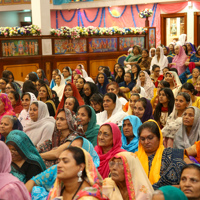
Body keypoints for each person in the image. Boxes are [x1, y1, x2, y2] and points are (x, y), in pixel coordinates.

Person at [27, 137, 100, 200]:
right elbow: (35, 180)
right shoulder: (60, 188)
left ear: (81, 167)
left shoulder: (88, 197)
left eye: (65, 161)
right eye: (59, 161)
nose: (59, 165)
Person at [136, 120, 186, 189]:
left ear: (159, 138)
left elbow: (193, 170)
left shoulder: (172, 154)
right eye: (142, 139)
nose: (146, 142)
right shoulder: (134, 157)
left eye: (150, 138)